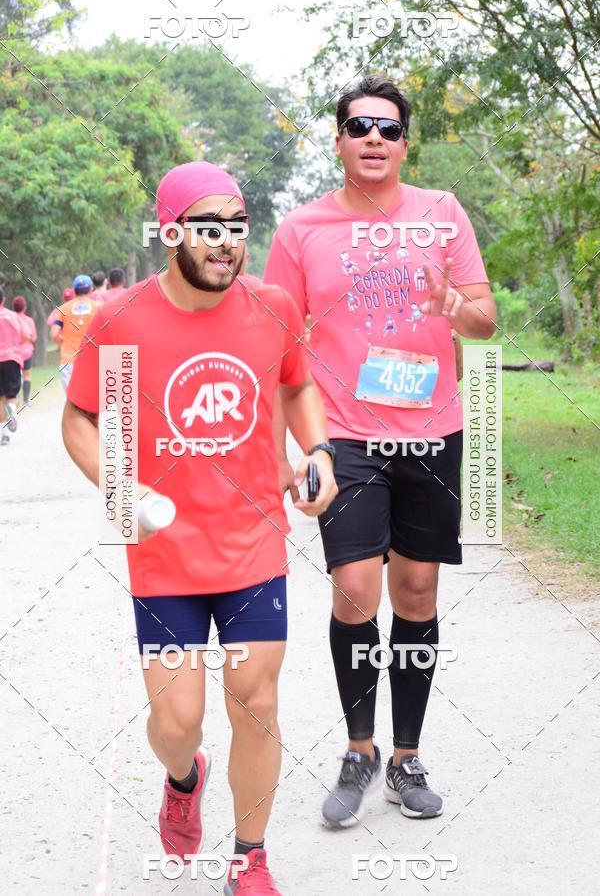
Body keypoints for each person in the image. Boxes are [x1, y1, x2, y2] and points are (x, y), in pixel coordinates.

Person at [62, 161, 338, 895]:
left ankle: (250, 859)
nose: (227, 242)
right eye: (208, 227)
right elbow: (80, 419)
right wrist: (121, 486)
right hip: (164, 553)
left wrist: (317, 452)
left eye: (237, 227)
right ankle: (185, 778)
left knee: (257, 700)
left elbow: (298, 385)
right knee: (178, 723)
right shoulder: (122, 319)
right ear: (171, 233)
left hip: (253, 542)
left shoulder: (272, 305)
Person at [265, 75, 496, 826]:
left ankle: (406, 756)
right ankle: (359, 749)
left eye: (389, 128)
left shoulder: (442, 213)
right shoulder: (302, 229)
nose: (374, 138)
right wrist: (292, 451)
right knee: (356, 588)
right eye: (360, 126)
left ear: (404, 143)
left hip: (431, 430)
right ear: (338, 141)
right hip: (344, 434)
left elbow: (486, 321)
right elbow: (277, 346)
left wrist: (452, 304)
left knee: (418, 591)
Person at [49, 275, 100, 391]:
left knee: (71, 398)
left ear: (74, 290)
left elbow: (53, 334)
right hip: (91, 360)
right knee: (89, 397)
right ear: (91, 289)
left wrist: (63, 342)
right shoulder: (98, 308)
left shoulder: (64, 308)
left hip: (68, 360)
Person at [0, 288, 28, 445]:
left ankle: (4, 435)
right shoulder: (14, 316)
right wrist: (14, 344)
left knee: (0, 399)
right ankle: (11, 413)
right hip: (11, 358)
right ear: (3, 299)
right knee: (11, 397)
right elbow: (26, 336)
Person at [12, 296, 37, 407]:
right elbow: (34, 338)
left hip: (14, 353)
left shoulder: (10, 318)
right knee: (27, 376)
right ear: (24, 307)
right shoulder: (29, 321)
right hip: (27, 352)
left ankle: (14, 399)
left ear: (13, 307)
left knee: (15, 376)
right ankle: (26, 402)